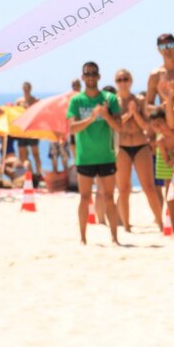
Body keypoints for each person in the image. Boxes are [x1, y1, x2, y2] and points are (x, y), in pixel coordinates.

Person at [67, 62, 122, 244]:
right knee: (84, 198)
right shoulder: (77, 100)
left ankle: (114, 238)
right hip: (85, 157)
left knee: (109, 197)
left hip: (106, 155)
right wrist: (92, 118)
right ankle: (83, 238)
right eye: (87, 74)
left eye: (93, 74)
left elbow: (119, 126)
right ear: (83, 78)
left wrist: (105, 115)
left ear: (99, 76)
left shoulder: (109, 98)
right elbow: (72, 128)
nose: (90, 77)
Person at [113, 69, 163, 231]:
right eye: (119, 80)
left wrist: (136, 114)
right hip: (122, 147)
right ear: (116, 82)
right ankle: (126, 225)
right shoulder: (114, 102)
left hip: (141, 145)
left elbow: (146, 126)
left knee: (149, 187)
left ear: (131, 81)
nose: (123, 82)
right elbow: (115, 126)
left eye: (125, 79)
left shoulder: (140, 100)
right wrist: (129, 113)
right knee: (124, 188)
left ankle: (161, 222)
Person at [15, 81, 43, 175]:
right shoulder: (19, 101)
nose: (26, 90)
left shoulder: (35, 100)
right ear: (22, 89)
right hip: (22, 131)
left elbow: (40, 113)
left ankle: (39, 174)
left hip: (32, 130)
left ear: (30, 89)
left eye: (28, 88)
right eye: (25, 88)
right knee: (22, 154)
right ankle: (23, 175)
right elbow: (15, 115)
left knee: (35, 153)